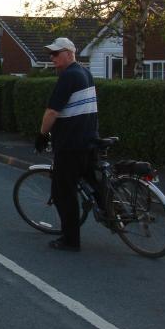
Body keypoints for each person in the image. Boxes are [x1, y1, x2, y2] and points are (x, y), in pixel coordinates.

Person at [35, 37, 99, 252]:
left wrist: (42, 135)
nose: (52, 58)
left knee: (63, 192)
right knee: (96, 186)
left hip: (71, 145)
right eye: (50, 54)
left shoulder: (68, 76)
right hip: (89, 140)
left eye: (56, 53)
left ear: (69, 53)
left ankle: (70, 240)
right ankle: (114, 216)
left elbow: (52, 111)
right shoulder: (85, 73)